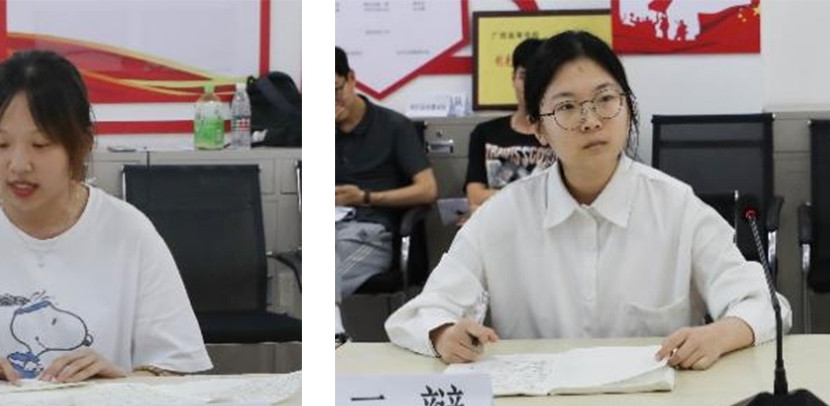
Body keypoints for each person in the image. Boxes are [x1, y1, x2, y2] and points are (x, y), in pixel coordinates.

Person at [384, 31, 791, 370]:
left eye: (605, 99)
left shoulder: (676, 207)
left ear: (627, 107)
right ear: (538, 129)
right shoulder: (503, 215)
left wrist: (720, 334)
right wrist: (444, 334)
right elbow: (426, 311)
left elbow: (765, 304)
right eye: (566, 107)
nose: (591, 120)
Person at [0, 50, 212, 384]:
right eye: (1, 144)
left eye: (40, 145)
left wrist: (121, 380)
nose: (18, 165)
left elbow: (177, 367)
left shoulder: (129, 231)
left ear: (81, 144)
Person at [336, 46, 438, 299]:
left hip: (370, 232)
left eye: (335, 91)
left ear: (351, 79)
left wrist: (365, 197)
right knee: (295, 272)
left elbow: (428, 190)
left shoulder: (393, 126)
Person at [465, 38, 558, 218]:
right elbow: (475, 195)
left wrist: (498, 198)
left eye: (537, 77)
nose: (530, 85)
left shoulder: (561, 133)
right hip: (497, 224)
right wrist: (534, 199)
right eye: (523, 76)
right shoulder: (485, 133)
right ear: (513, 79)